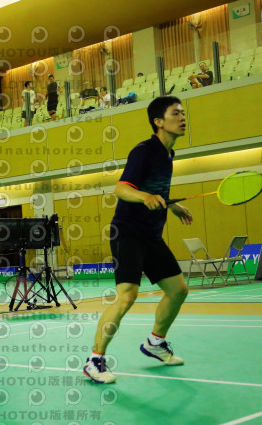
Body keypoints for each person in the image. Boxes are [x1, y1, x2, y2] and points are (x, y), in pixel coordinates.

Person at [83, 96, 193, 384]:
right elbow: (121, 189)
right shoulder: (144, 151)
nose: (182, 117)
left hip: (152, 235)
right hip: (128, 232)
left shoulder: (168, 154)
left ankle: (155, 343)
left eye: (183, 113)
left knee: (178, 290)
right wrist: (144, 196)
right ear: (158, 122)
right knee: (127, 296)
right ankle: (94, 360)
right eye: (175, 113)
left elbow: (154, 189)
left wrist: (171, 205)